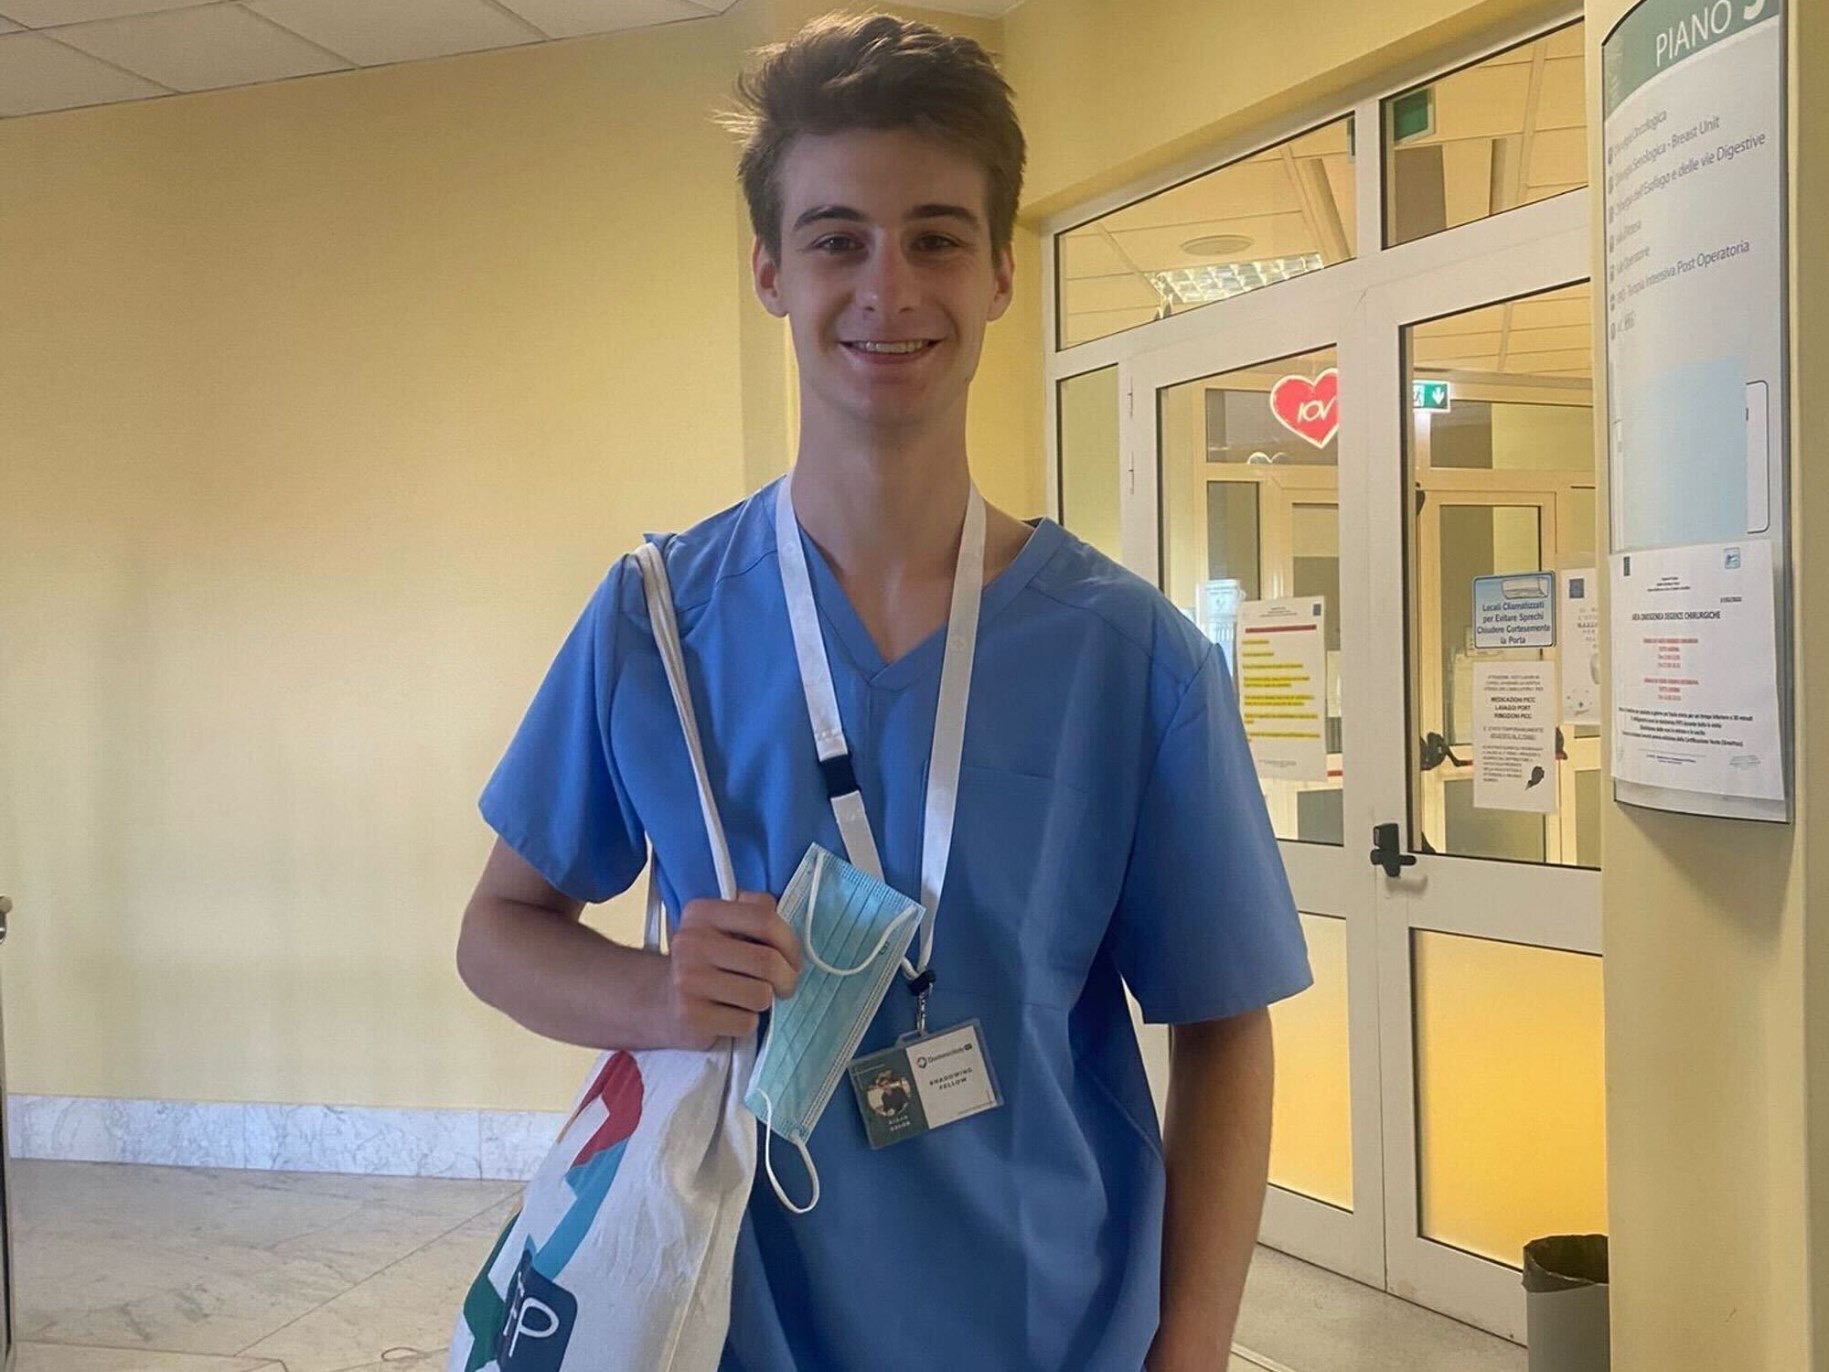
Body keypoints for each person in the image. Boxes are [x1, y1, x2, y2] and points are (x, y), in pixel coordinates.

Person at [455, 14, 1312, 1371]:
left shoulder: (1128, 655)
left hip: (1052, 1323)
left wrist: (1190, 1345)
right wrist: (655, 996)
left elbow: (1221, 1029)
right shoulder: (658, 622)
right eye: (836, 237)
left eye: (935, 237)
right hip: (731, 1322)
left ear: (997, 275)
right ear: (768, 272)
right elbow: (497, 932)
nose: (886, 289)